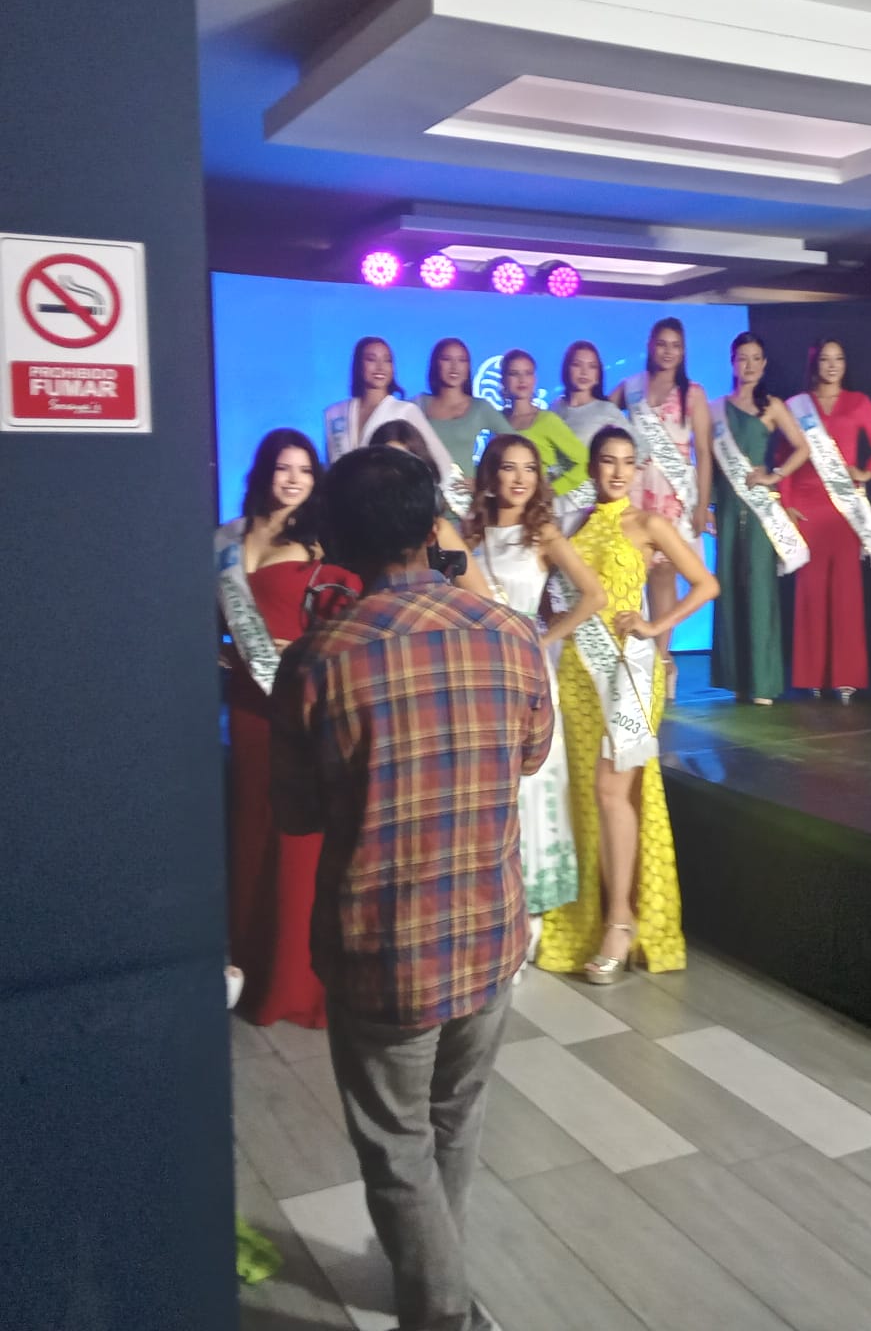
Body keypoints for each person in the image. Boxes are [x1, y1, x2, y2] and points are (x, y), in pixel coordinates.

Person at [270, 446, 553, 1331]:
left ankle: (442, 1314)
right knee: (454, 1122)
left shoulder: (318, 660)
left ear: (338, 541)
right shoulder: (509, 634)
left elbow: (295, 812)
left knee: (397, 1146)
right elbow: (531, 755)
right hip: (490, 932)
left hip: (382, 945)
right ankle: (436, 1285)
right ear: (435, 527)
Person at [536, 426, 718, 985]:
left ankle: (621, 920)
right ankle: (594, 912)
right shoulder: (575, 524)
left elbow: (705, 584)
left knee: (613, 790)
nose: (617, 471)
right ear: (592, 468)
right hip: (579, 674)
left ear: (638, 469)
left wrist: (657, 628)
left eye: (626, 462)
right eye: (607, 461)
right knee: (591, 795)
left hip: (631, 674)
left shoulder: (649, 524)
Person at [218, 430, 356, 1028]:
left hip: (295, 699)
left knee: (295, 835)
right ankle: (249, 965)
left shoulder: (320, 543)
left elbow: (344, 621)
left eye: (303, 470)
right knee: (251, 828)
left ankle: (298, 980)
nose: (293, 479)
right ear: (264, 472)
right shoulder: (227, 539)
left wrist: (303, 648)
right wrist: (221, 650)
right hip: (246, 706)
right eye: (283, 468)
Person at [466, 435, 606, 944]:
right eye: (509, 468)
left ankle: (532, 917)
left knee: (532, 784)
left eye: (530, 469)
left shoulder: (542, 533)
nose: (521, 478)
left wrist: (545, 638)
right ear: (491, 476)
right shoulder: (467, 537)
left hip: (527, 671)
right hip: (479, 675)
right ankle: (490, 906)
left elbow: (593, 595)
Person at [780, 338, 871, 702]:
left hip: (844, 508)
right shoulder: (797, 406)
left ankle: (846, 676)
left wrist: (867, 471)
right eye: (825, 359)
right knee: (810, 593)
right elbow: (784, 457)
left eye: (839, 359)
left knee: (846, 593)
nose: (832, 365)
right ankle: (811, 675)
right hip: (806, 506)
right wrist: (786, 503)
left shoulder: (857, 403)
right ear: (814, 364)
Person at [612, 318, 713, 701]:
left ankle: (662, 659)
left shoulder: (693, 394)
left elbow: (703, 453)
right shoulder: (632, 387)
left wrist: (702, 504)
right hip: (636, 490)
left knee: (664, 575)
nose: (668, 351)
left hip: (674, 494)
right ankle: (632, 657)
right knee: (631, 571)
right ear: (650, 346)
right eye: (662, 344)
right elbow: (601, 416)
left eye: (675, 345)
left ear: (683, 352)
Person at [709, 332, 810, 704]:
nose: (748, 365)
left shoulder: (773, 407)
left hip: (760, 510)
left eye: (755, 358)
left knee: (760, 590)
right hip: (727, 505)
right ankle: (739, 679)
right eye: (742, 358)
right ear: (732, 362)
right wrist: (708, 505)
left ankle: (764, 682)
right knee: (731, 587)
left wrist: (775, 476)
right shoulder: (717, 409)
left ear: (764, 364)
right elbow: (707, 460)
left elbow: (802, 448)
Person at [367, 420, 494, 602]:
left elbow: (484, 599)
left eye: (405, 464)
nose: (396, 473)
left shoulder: (438, 529)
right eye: (387, 463)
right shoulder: (358, 530)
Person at [323, 336, 454, 480]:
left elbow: (442, 462)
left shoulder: (405, 411)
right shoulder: (335, 413)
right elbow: (331, 468)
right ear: (358, 365)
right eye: (371, 359)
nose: (380, 367)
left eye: (387, 360)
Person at [412, 337, 510, 509]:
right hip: (424, 502)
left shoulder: (480, 407)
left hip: (464, 506)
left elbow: (516, 445)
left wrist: (485, 481)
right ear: (436, 364)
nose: (454, 367)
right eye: (446, 359)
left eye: (462, 360)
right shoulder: (417, 405)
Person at [551, 340, 633, 534]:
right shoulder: (554, 408)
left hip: (585, 505)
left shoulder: (606, 410)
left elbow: (641, 449)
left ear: (598, 375)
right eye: (577, 364)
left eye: (592, 366)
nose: (584, 372)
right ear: (566, 369)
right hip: (553, 502)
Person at [499, 349, 590, 501]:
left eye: (528, 373)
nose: (522, 380)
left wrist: (555, 488)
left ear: (534, 379)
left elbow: (585, 461)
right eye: (514, 374)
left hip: (537, 504)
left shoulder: (547, 420)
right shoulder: (497, 420)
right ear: (503, 380)